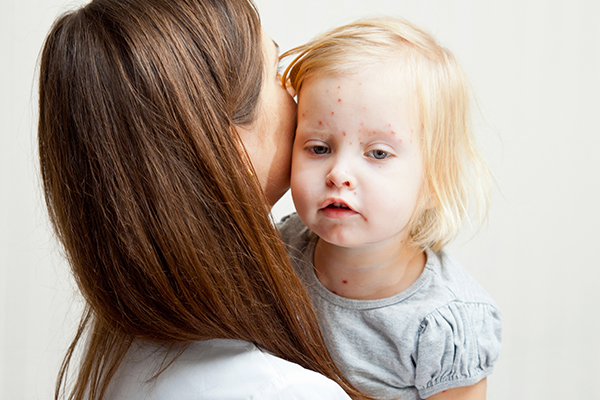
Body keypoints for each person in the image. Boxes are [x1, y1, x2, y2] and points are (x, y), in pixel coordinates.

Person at [38, 0, 377, 399]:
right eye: (276, 74)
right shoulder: (282, 391)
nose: (297, 96)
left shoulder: (123, 351)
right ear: (225, 141)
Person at [278, 17, 502, 400]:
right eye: (319, 148)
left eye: (378, 153)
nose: (339, 173)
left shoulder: (445, 324)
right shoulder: (279, 251)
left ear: (435, 179)